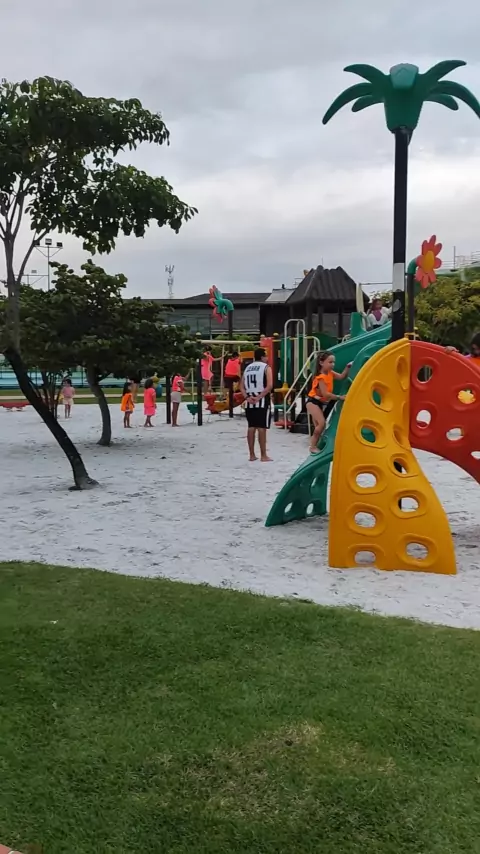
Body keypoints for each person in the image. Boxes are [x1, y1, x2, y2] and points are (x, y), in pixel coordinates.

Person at [306, 351, 350, 454]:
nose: (332, 364)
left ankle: (316, 444)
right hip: (313, 402)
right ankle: (312, 446)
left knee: (319, 426)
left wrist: (348, 367)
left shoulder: (330, 373)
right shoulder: (321, 377)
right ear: (321, 363)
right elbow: (326, 395)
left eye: (333, 362)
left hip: (320, 402)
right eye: (330, 362)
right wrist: (339, 397)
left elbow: (341, 376)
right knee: (321, 424)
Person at [240, 347, 273, 462]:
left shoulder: (248, 368)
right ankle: (264, 455)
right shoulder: (266, 367)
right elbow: (269, 386)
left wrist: (247, 397)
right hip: (261, 400)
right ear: (262, 357)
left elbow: (241, 386)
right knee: (262, 427)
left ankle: (252, 454)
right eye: (266, 356)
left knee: (251, 427)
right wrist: (259, 397)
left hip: (249, 401)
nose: (267, 358)